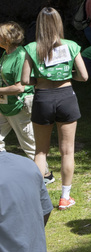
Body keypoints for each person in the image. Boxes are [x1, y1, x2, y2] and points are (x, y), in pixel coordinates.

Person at [21, 8, 87, 211]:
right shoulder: (71, 46)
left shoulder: (31, 48)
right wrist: (68, 77)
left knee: (41, 151)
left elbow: (24, 80)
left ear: (39, 25)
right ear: (59, 23)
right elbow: (84, 76)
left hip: (43, 98)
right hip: (66, 97)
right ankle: (65, 198)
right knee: (67, 151)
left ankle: (38, 198)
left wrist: (40, 79)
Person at [0, 23, 37, 160]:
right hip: (5, 104)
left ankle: (44, 175)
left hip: (19, 105)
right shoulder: (6, 54)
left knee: (28, 143)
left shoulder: (20, 55)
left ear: (6, 38)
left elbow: (19, 87)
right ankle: (4, 168)